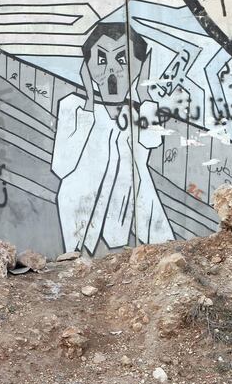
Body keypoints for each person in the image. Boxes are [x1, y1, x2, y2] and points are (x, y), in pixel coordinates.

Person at [52, 21, 173, 254]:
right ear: (86, 66)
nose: (111, 70)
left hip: (129, 209)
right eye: (100, 60)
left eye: (122, 59)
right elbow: (62, 166)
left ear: (139, 66)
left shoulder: (137, 111)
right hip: (82, 214)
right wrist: (88, 102)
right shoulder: (74, 106)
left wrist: (144, 92)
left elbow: (152, 142)